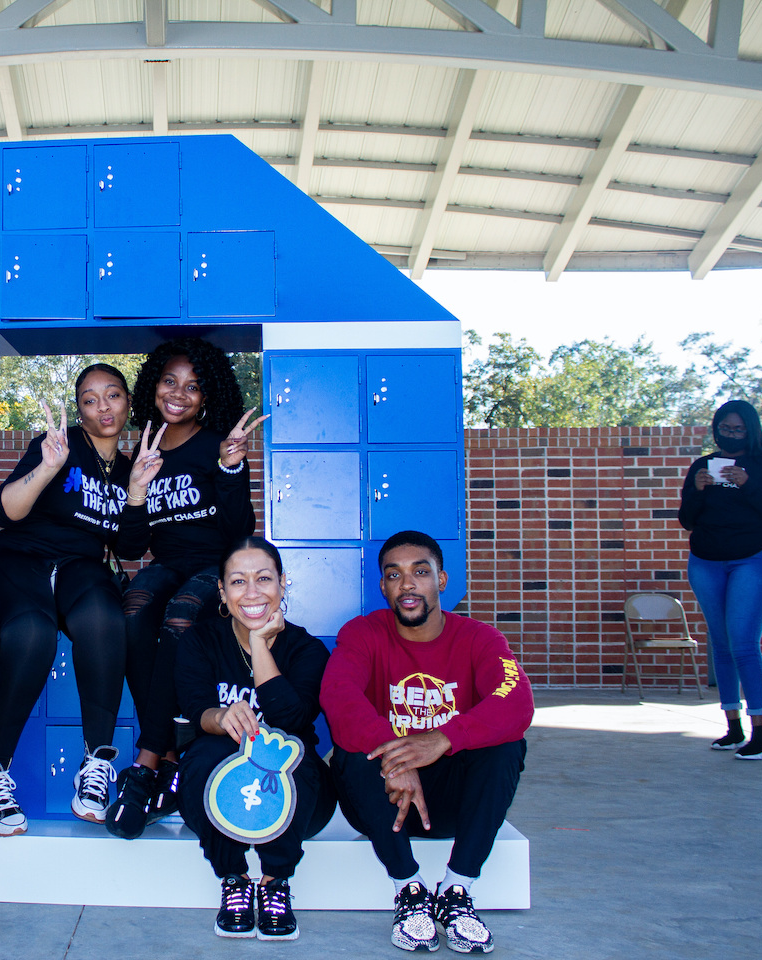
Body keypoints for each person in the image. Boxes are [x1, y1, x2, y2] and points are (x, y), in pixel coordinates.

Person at [322, 531, 533, 955]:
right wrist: (398, 756)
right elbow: (338, 695)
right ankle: (409, 890)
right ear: (382, 587)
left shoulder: (480, 638)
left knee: (506, 745)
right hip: (385, 803)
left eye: (421, 572)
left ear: (442, 580)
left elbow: (517, 701)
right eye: (394, 575)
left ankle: (457, 890)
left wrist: (443, 739)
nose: (408, 584)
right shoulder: (363, 633)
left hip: (455, 805)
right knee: (353, 753)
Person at [107, 337, 266, 840]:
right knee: (131, 611)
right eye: (170, 382)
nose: (179, 394)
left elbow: (242, 528)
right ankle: (170, 750)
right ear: (153, 384)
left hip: (212, 567)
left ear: (207, 395)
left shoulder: (217, 443)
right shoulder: (145, 450)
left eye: (193, 387)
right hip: (167, 562)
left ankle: (149, 759)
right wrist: (136, 488)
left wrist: (229, 468)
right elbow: (132, 546)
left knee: (179, 616)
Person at [0, 364, 134, 834]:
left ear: (127, 403)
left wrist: (138, 492)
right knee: (32, 630)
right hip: (20, 559)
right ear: (79, 411)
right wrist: (48, 466)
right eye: (89, 399)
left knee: (105, 618)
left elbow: (127, 548)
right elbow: (5, 512)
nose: (103, 406)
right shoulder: (60, 448)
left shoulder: (127, 470)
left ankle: (97, 762)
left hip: (79, 568)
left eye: (113, 395)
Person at [175, 537, 336, 941]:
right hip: (221, 793)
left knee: (291, 756)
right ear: (222, 593)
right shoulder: (201, 641)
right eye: (238, 582)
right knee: (205, 755)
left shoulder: (307, 649)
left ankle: (275, 881)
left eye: (263, 579)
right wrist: (221, 715)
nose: (251, 593)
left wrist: (261, 644)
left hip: (298, 798)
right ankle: (234, 878)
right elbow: (196, 710)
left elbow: (291, 720)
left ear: (282, 584)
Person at [679, 399, 762, 760]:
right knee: (722, 644)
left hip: (752, 559)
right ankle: (732, 727)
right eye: (724, 429)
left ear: (751, 430)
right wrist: (697, 490)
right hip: (706, 561)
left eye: (737, 430)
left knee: (743, 643)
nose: (730, 435)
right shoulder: (703, 466)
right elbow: (687, 519)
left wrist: (747, 485)